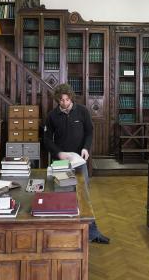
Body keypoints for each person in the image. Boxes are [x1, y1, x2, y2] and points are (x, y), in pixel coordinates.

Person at [42, 84, 110, 244]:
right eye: (61, 100)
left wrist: (86, 148)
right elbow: (46, 140)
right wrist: (59, 153)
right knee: (62, 194)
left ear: (71, 97)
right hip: (61, 162)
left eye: (66, 99)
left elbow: (89, 132)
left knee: (83, 197)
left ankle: (92, 233)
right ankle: (63, 233)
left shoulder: (82, 111)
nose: (64, 103)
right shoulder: (52, 116)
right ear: (57, 100)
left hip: (79, 161)